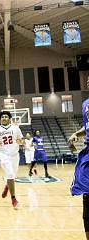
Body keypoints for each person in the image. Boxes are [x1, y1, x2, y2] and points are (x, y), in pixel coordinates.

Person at [0, 111, 24, 209]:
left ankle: (7, 186)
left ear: (9, 118)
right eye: (2, 117)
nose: (4, 118)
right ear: (0, 119)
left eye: (6, 117)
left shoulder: (16, 128)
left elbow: (22, 140)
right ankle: (14, 199)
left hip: (15, 155)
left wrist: (20, 142)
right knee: (10, 174)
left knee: (12, 176)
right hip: (3, 154)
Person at [68, 76, 89, 240]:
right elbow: (87, 126)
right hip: (87, 154)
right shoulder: (85, 104)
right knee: (86, 196)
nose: (87, 81)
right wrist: (76, 133)